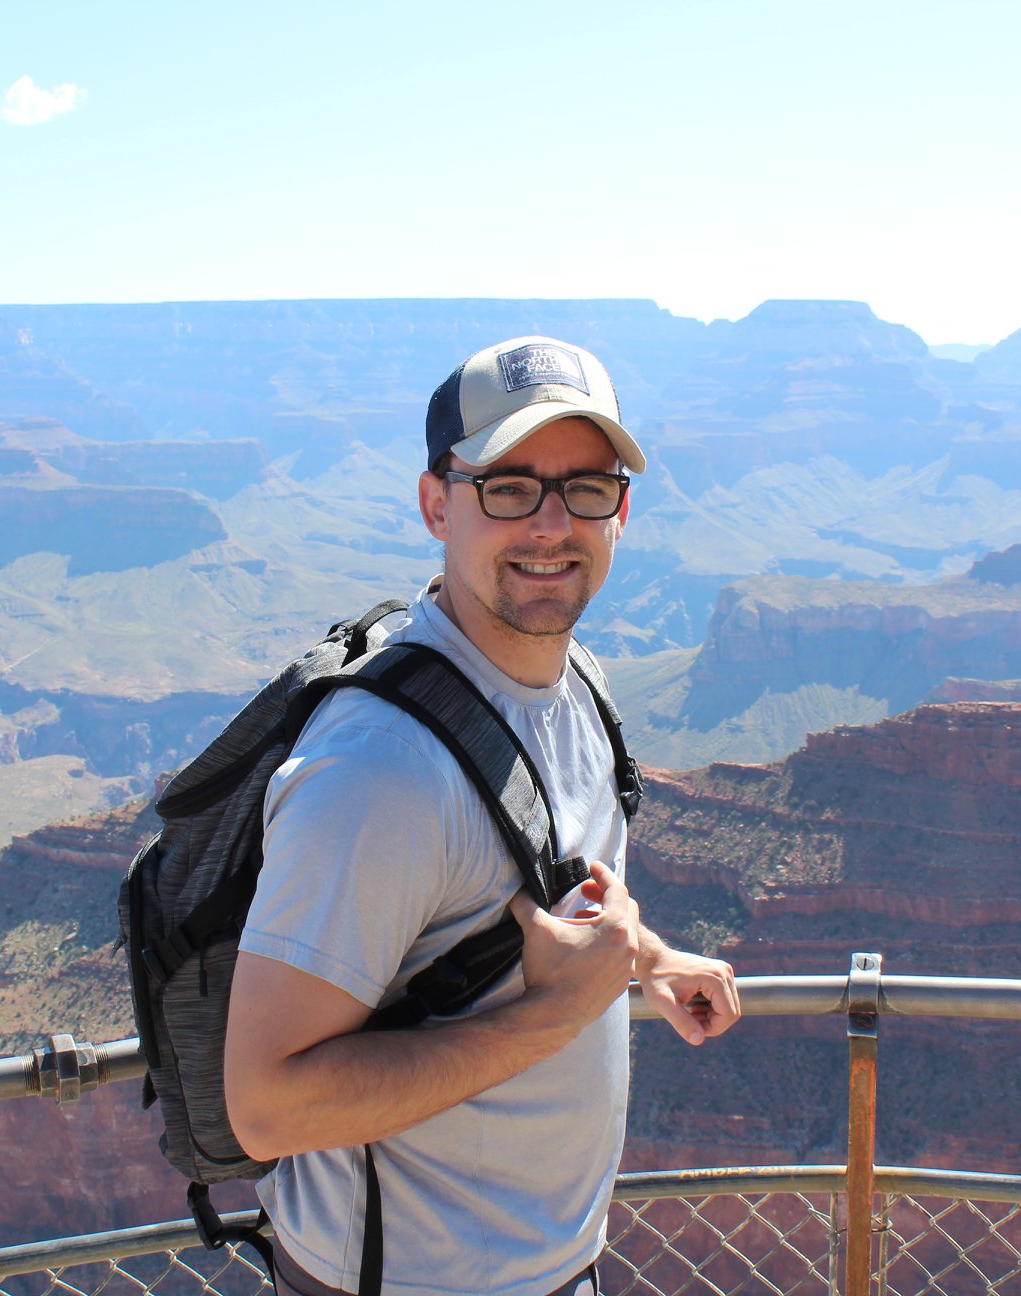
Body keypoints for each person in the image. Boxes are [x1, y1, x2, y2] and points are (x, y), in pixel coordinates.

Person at [224, 335, 742, 1296]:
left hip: (558, 1265)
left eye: (586, 487)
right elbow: (266, 1109)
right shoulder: (378, 773)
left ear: (621, 511)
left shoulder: (577, 685)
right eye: (508, 488)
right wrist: (559, 1013)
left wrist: (648, 959)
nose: (552, 523)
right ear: (437, 504)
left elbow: (545, 886)